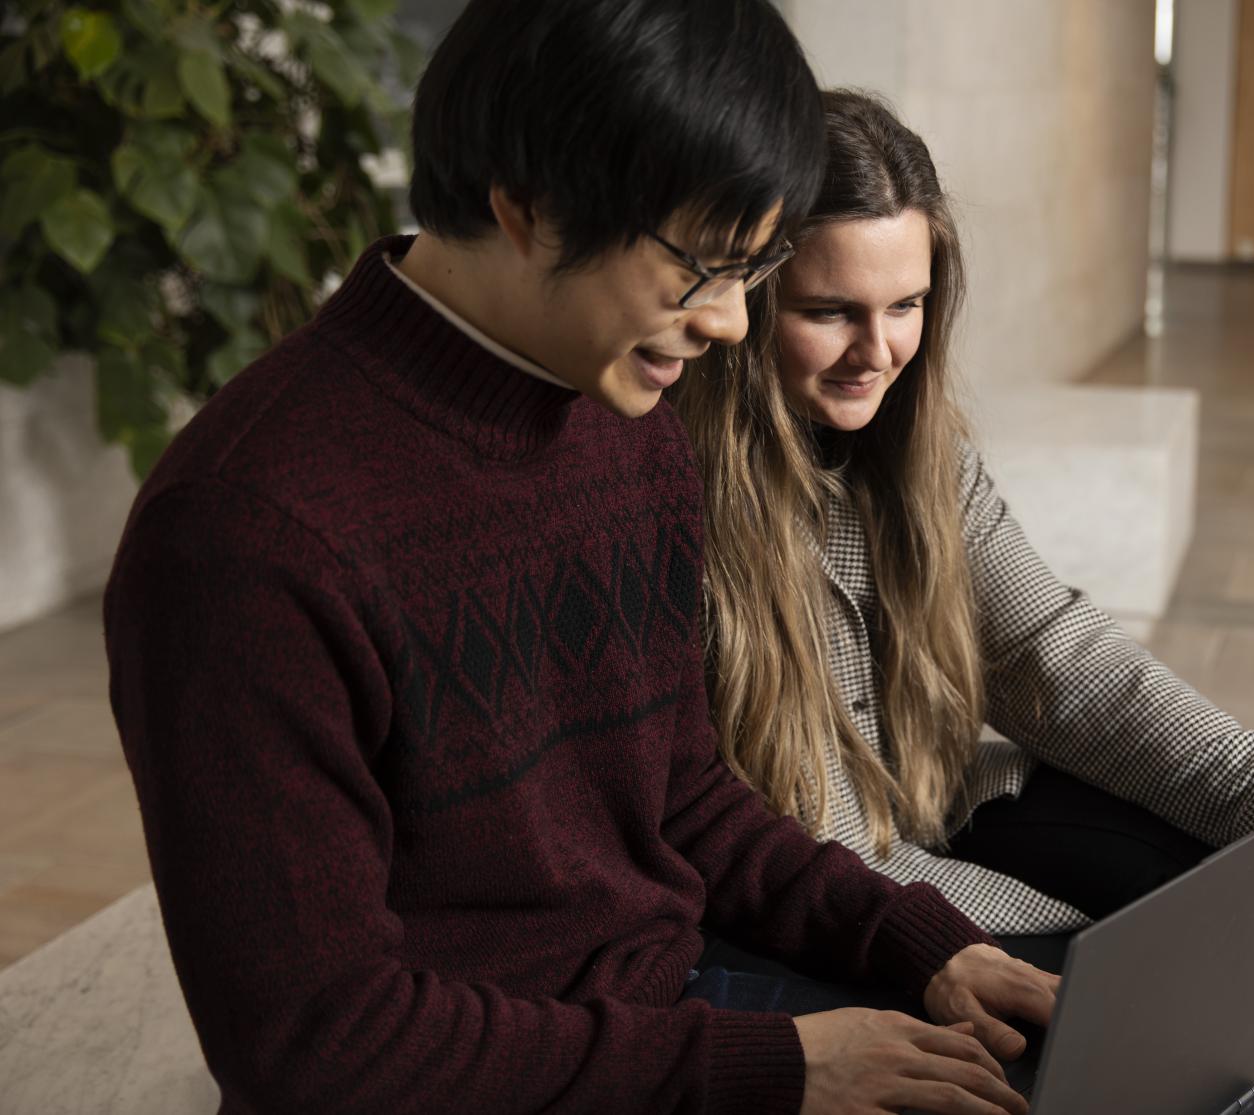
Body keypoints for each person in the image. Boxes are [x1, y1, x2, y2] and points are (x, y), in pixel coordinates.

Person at [103, 5, 1055, 1113]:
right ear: (527, 209)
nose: (733, 326)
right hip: (505, 1075)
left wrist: (914, 940)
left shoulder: (622, 410)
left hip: (666, 1005)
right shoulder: (244, 534)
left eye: (753, 269)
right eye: (704, 266)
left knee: (1098, 1043)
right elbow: (320, 1044)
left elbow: (680, 792)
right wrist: (779, 1067)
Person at [669, 90, 1254, 1114]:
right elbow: (789, 834)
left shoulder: (920, 456)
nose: (877, 349)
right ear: (747, 303)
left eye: (907, 305)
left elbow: (1066, 662)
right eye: (830, 311)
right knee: (1118, 1029)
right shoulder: (672, 492)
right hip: (810, 888)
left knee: (1248, 927)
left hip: (942, 803)